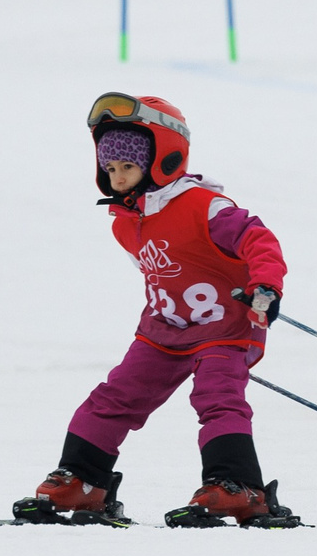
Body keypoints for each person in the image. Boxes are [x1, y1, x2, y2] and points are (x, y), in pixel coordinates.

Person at [18, 94, 298, 529]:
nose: (118, 176)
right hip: (163, 331)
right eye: (110, 168)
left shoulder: (204, 205)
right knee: (113, 398)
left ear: (163, 158)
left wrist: (265, 286)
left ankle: (238, 488)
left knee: (217, 398)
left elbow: (258, 240)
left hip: (225, 327)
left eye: (127, 166)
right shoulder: (124, 221)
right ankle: (84, 481)